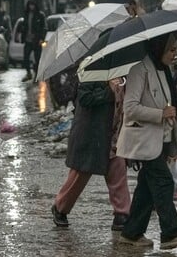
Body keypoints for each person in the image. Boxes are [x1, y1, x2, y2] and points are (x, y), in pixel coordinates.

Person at [115, 33, 177, 250]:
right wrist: (160, 113)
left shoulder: (164, 70)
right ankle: (171, 233)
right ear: (160, 48)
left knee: (146, 190)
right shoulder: (139, 70)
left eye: (176, 49)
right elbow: (130, 108)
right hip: (144, 140)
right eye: (172, 50)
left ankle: (131, 233)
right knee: (163, 182)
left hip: (160, 139)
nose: (175, 54)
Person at [52, 77, 131, 231]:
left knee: (118, 170)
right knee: (81, 174)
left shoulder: (124, 74)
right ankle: (60, 207)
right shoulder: (92, 71)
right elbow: (85, 98)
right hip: (92, 133)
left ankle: (122, 214)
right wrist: (109, 91)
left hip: (114, 133)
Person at [21, 0, 46, 82]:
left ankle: (36, 75)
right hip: (28, 40)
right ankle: (28, 73)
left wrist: (41, 38)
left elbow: (44, 28)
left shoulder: (40, 15)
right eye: (30, 5)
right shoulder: (26, 14)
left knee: (38, 59)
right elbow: (24, 26)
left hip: (37, 40)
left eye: (33, 5)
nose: (31, 7)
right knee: (26, 57)